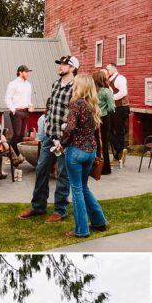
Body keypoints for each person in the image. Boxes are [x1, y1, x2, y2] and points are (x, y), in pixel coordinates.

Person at [17, 55, 78, 223]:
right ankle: (38, 206)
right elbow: (51, 108)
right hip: (50, 137)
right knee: (41, 169)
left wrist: (66, 136)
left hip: (65, 140)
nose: (60, 66)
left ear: (72, 68)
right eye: (60, 64)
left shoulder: (77, 87)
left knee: (62, 175)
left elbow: (76, 113)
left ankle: (60, 210)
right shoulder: (56, 84)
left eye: (65, 64)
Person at [61, 73, 108, 239]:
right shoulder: (92, 104)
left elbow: (70, 128)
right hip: (90, 152)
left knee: (77, 189)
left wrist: (62, 142)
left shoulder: (76, 104)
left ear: (79, 86)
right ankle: (99, 221)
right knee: (84, 187)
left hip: (76, 152)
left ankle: (81, 230)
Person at [5, 64, 33, 169]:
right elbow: (7, 98)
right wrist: (13, 110)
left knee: (21, 135)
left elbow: (28, 98)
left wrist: (30, 106)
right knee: (16, 135)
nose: (28, 73)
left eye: (28, 72)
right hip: (17, 112)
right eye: (26, 72)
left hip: (26, 111)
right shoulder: (13, 84)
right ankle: (11, 156)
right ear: (20, 72)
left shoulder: (28, 85)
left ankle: (15, 157)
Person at [92, 69, 115, 175]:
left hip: (92, 119)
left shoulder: (91, 92)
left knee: (94, 142)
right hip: (104, 118)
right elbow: (111, 107)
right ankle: (105, 168)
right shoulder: (106, 91)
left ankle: (94, 166)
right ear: (102, 79)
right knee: (104, 143)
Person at [106, 62, 129, 166]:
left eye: (109, 69)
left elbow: (123, 92)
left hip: (120, 108)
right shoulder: (110, 80)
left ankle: (118, 154)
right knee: (114, 131)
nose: (107, 71)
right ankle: (120, 152)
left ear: (114, 68)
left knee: (118, 131)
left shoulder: (120, 78)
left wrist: (111, 98)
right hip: (116, 108)